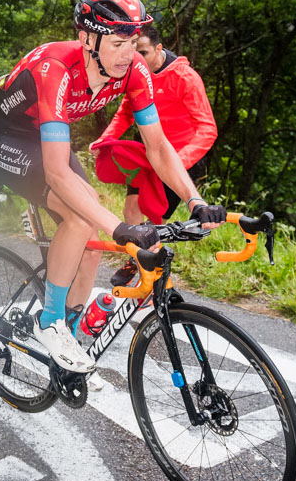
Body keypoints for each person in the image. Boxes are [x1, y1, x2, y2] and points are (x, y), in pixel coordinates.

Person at [0, 0, 225, 374]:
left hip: (46, 138)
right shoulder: (55, 69)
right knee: (81, 216)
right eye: (118, 43)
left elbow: (159, 148)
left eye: (133, 42)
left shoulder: (133, 71)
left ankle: (71, 343)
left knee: (89, 245)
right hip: (7, 138)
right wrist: (120, 228)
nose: (128, 54)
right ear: (86, 39)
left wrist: (194, 200)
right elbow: (59, 173)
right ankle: (50, 323)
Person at [92, 22, 218, 287]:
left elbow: (207, 129)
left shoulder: (185, 77)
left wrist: (178, 163)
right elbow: (125, 112)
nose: (137, 59)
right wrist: (106, 139)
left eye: (144, 53)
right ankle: (137, 258)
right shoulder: (137, 75)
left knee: (155, 220)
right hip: (148, 157)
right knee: (131, 209)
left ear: (159, 49)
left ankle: (156, 280)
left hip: (180, 159)